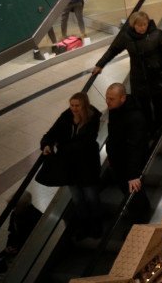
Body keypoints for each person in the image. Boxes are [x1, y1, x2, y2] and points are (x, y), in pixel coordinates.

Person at [91, 11, 162, 136]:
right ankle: (149, 127)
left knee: (158, 102)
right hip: (138, 77)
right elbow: (113, 50)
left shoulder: (157, 34)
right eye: (139, 25)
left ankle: (158, 126)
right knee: (143, 104)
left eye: (144, 24)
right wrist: (100, 64)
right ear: (133, 25)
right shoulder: (126, 37)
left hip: (156, 75)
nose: (142, 28)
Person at [40, 91, 102, 240]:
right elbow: (50, 134)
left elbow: (85, 143)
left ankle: (97, 227)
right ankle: (84, 227)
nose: (74, 108)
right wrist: (46, 144)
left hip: (87, 167)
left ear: (84, 105)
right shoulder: (66, 117)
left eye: (77, 105)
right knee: (77, 200)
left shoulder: (93, 119)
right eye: (72, 105)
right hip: (70, 168)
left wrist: (62, 146)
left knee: (91, 198)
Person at [103, 83, 152, 223]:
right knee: (128, 195)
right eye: (107, 98)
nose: (107, 101)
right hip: (118, 164)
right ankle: (135, 216)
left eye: (111, 98)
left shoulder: (135, 118)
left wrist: (133, 175)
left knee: (136, 196)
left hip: (130, 168)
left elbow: (135, 147)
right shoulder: (115, 110)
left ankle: (142, 222)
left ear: (123, 98)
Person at [0, 191, 41, 276]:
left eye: (15, 207)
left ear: (25, 206)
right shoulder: (15, 214)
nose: (12, 209)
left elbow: (33, 241)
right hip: (13, 249)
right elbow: (12, 233)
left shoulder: (36, 218)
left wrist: (16, 250)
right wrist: (9, 246)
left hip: (24, 253)